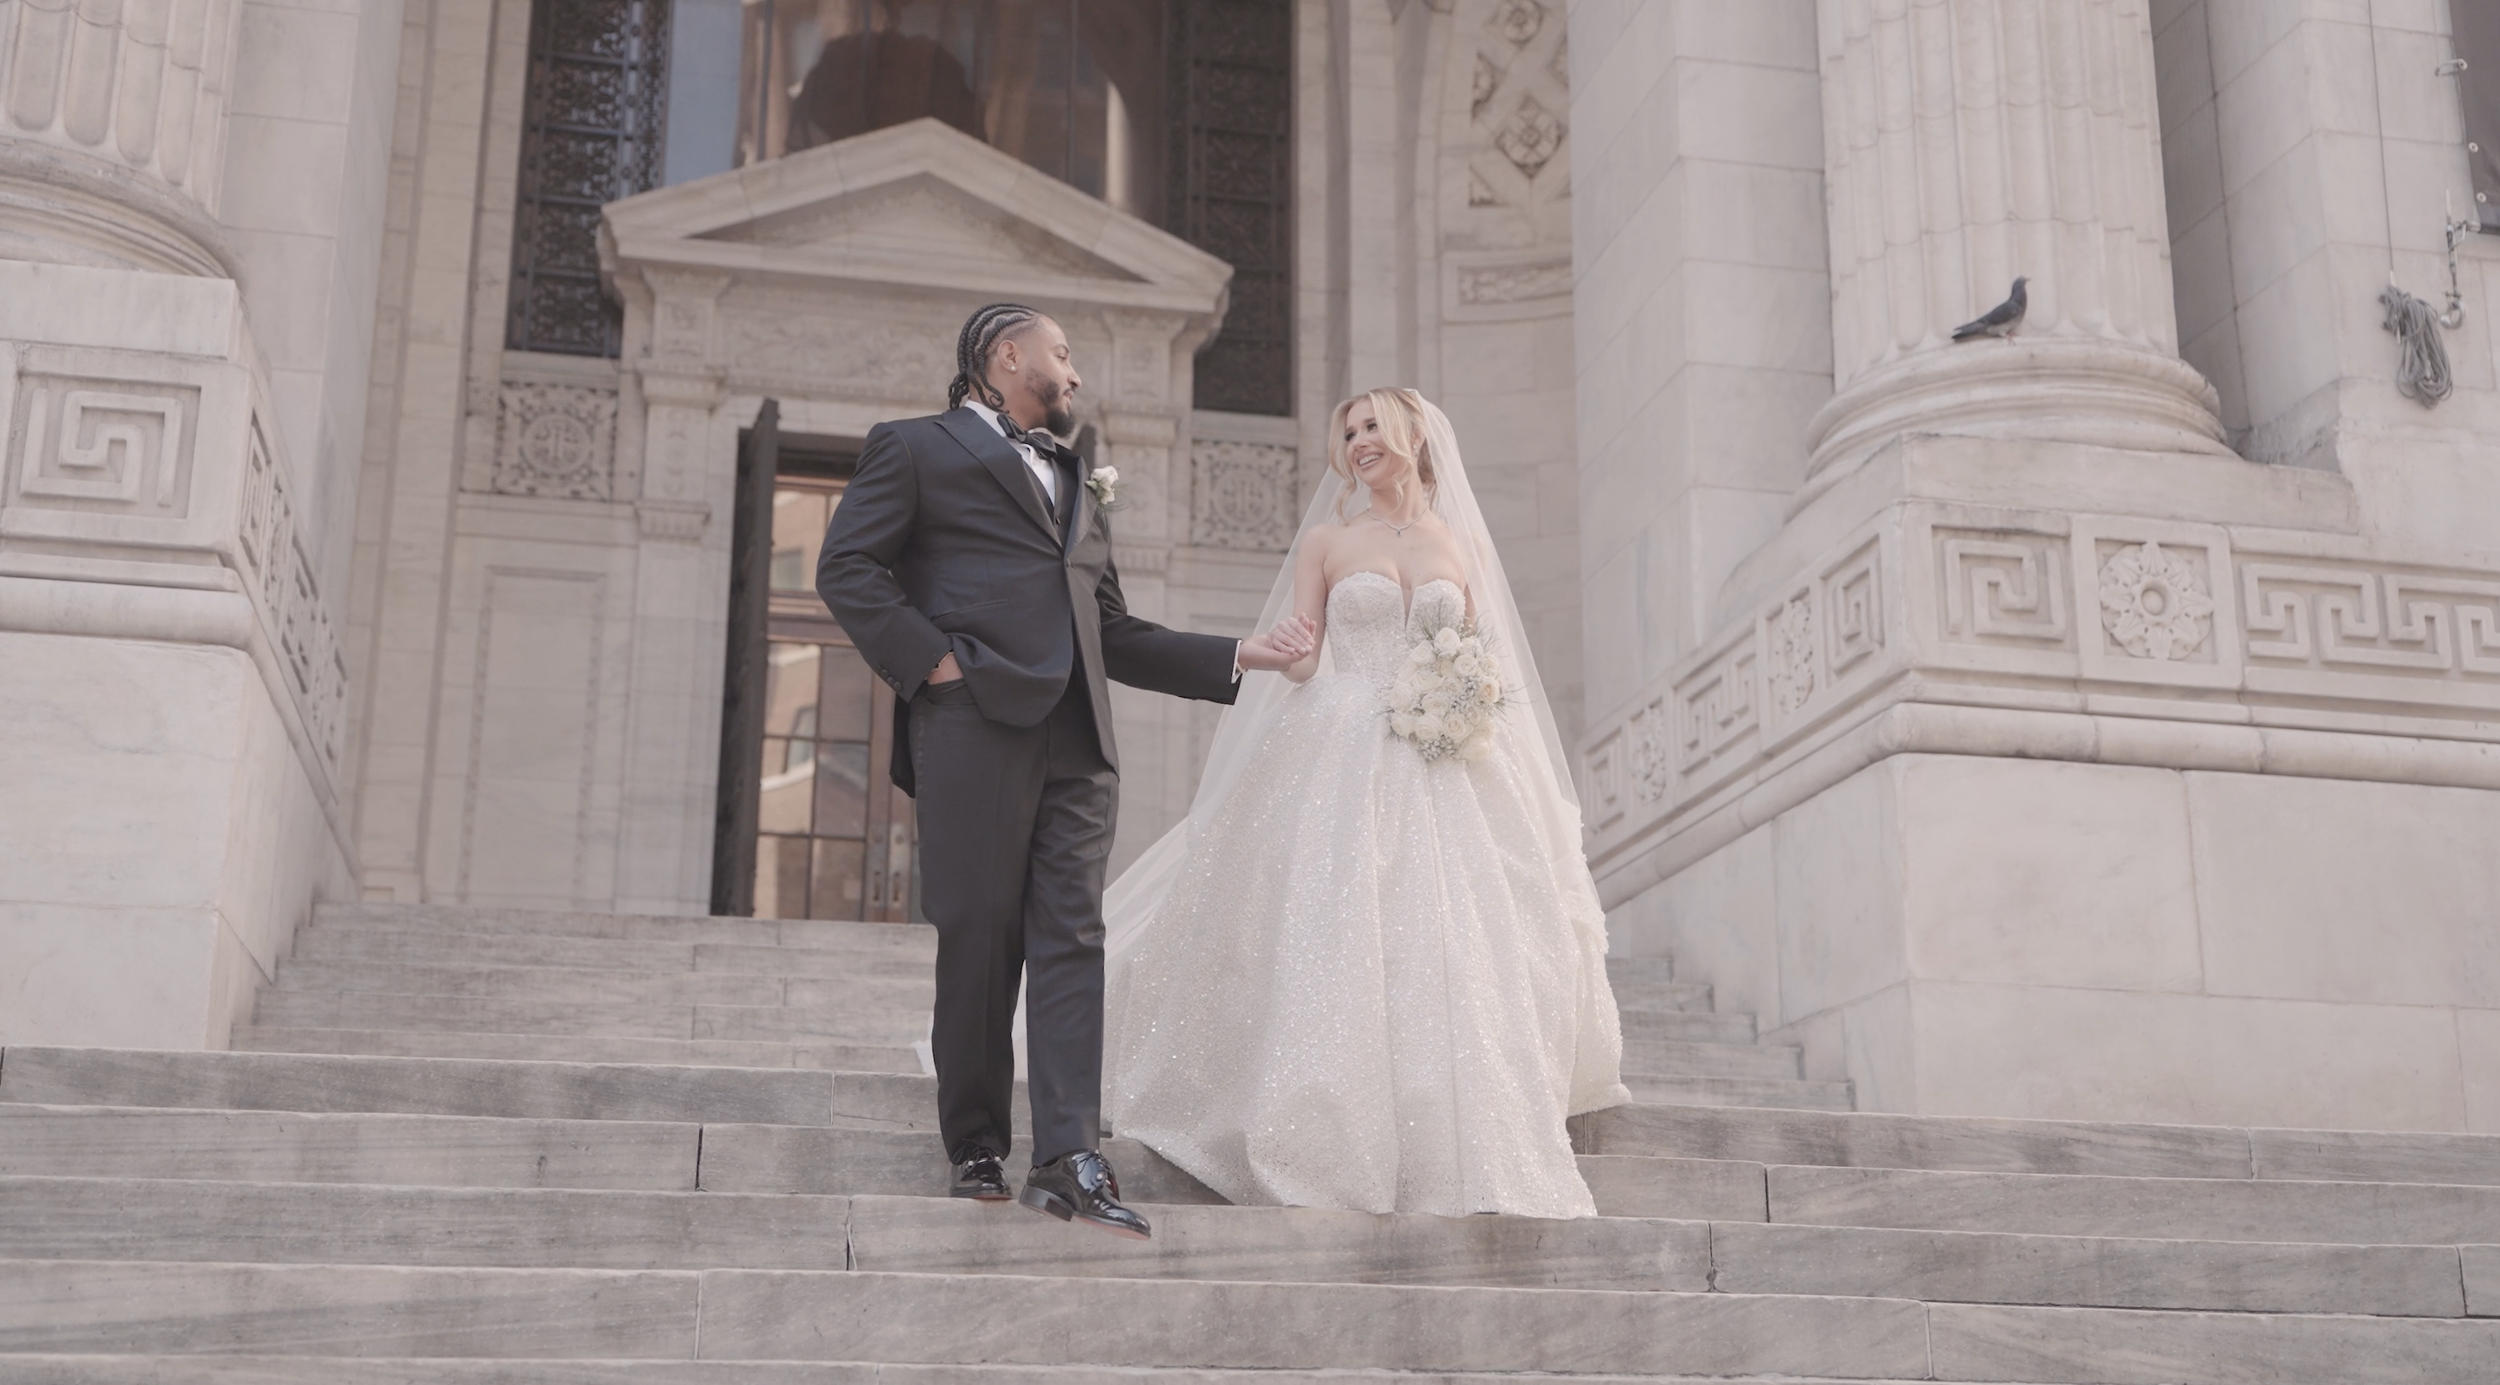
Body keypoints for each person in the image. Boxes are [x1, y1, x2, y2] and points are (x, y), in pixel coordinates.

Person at [816, 302, 1316, 1240]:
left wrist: (1244, 656)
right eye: (1062, 353)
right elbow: (846, 567)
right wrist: (934, 665)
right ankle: (973, 1141)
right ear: (1007, 356)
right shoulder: (913, 447)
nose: (1075, 374)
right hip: (972, 724)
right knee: (980, 936)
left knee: (1071, 941)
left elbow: (1113, 631)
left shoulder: (1080, 477)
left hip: (1081, 742)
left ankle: (1068, 1158)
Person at [1104, 387, 1628, 1219]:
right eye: (1348, 432)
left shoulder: (1460, 543)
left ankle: (1452, 1118)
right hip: (1342, 737)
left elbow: (1488, 655)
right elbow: (1308, 657)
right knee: (1338, 918)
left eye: (1373, 425)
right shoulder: (1327, 540)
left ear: (1415, 435)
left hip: (1443, 752)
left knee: (1451, 933)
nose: (1358, 442)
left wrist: (1464, 697)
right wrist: (1288, 654)